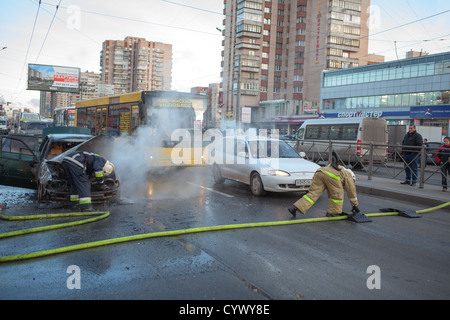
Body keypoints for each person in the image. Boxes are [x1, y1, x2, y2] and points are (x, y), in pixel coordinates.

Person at [288, 162, 359, 217]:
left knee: (313, 194)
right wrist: (355, 205)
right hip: (331, 175)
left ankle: (295, 207)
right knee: (338, 195)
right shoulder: (349, 175)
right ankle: (333, 212)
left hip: (320, 172)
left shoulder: (342, 170)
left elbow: (330, 188)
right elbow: (351, 191)